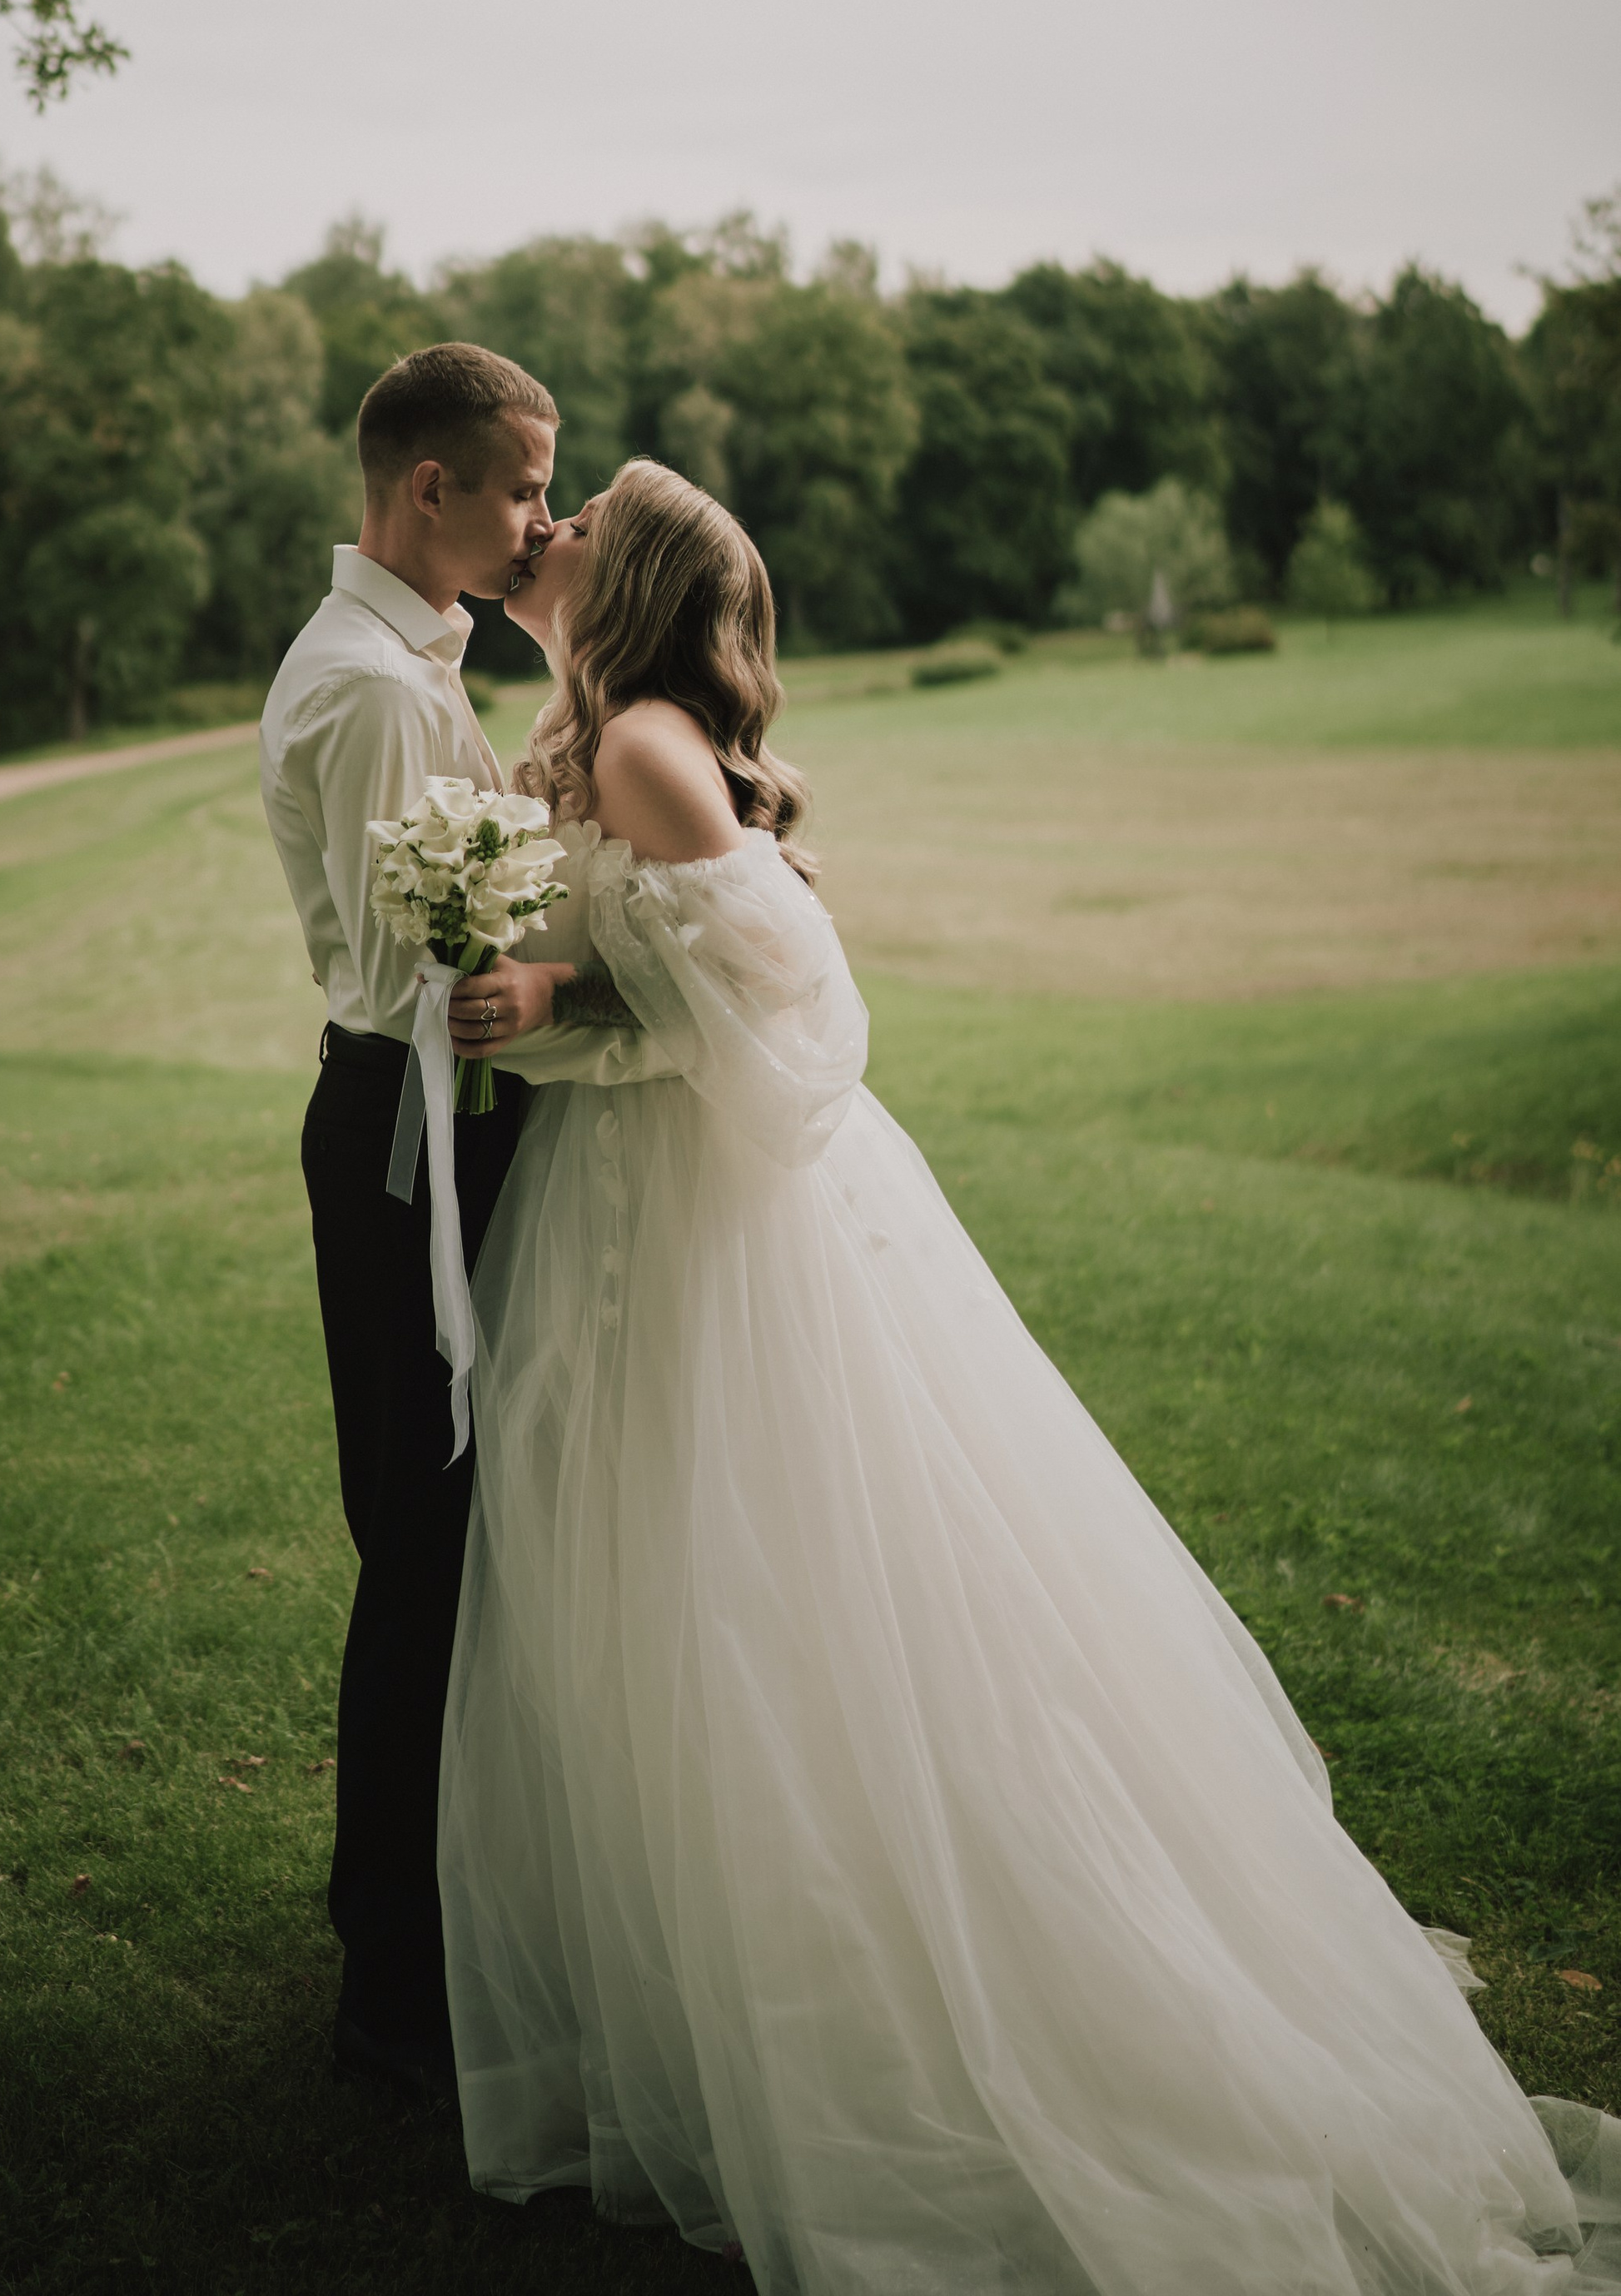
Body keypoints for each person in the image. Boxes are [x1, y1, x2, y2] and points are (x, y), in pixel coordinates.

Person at [437, 458, 1618, 2293]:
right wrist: (541, 990)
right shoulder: (579, 731)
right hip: (626, 1210)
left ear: (634, 572)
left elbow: (795, 1009)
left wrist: (564, 1008)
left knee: (766, 1598)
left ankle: (927, 2004)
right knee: (670, 1602)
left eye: (583, 506)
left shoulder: (650, 749)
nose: (553, 521)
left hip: (718, 1229)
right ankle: (700, 1987)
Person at [259, 345, 674, 2105]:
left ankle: (440, 1914)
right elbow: (442, 987)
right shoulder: (370, 689)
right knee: (420, 1552)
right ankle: (394, 1990)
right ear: (425, 487)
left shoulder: (409, 665)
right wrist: (627, 992)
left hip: (450, 1120)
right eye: (518, 489)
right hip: (410, 1135)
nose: (533, 521)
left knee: (458, 1542)